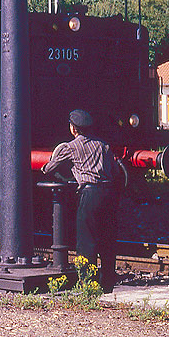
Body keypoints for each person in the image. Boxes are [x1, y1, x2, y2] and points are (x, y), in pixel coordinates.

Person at [41, 109, 120, 292]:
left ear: (73, 129)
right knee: (107, 240)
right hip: (109, 194)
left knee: (87, 241)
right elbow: (115, 171)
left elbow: (49, 168)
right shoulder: (103, 146)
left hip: (90, 194)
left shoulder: (71, 147)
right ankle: (108, 282)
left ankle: (88, 284)